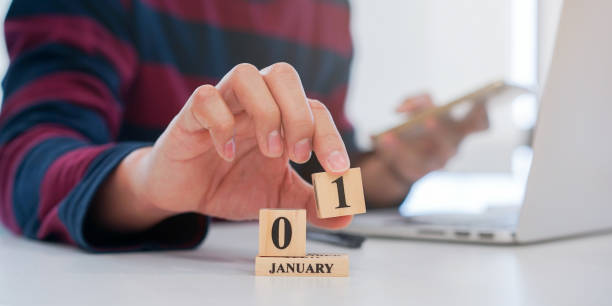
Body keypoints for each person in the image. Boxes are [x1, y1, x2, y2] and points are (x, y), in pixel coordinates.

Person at [0, 0, 477, 251]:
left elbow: (315, 182)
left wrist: (394, 171)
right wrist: (146, 184)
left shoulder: (328, 7)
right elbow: (22, 158)